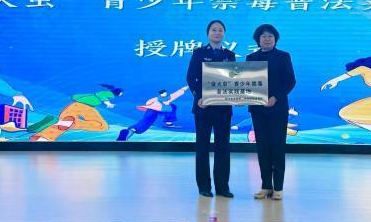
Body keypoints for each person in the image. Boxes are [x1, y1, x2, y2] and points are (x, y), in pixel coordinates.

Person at [186, 20, 236, 198]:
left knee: (223, 147)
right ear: (208, 33)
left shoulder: (230, 55)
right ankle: (204, 186)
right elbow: (191, 77)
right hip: (203, 107)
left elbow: (234, 80)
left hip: (223, 108)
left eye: (220, 30)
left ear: (224, 33)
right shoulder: (199, 53)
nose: (217, 33)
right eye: (214, 30)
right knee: (202, 147)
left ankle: (223, 187)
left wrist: (239, 96)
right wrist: (198, 97)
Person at [246, 24, 296, 200]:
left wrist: (275, 97)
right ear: (258, 39)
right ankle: (266, 186)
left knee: (277, 146)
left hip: (278, 108)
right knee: (262, 147)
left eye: (270, 36)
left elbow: (290, 81)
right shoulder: (251, 58)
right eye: (263, 36)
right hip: (258, 109)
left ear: (275, 39)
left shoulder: (283, 56)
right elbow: (246, 82)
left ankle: (278, 188)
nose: (266, 39)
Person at [117, 86, 189, 141]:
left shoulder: (155, 99)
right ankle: (168, 123)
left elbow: (148, 102)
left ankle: (130, 131)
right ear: (163, 94)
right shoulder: (168, 98)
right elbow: (177, 93)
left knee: (144, 122)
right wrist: (186, 87)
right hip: (157, 110)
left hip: (150, 110)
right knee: (172, 106)